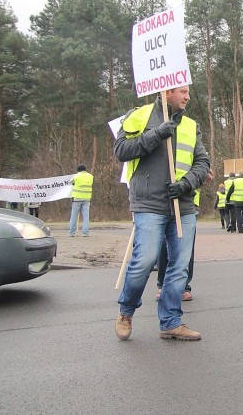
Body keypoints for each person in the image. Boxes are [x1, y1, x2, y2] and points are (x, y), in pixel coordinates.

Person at [113, 85, 211, 342]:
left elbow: (203, 163)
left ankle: (171, 322)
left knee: (179, 268)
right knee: (144, 261)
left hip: (184, 204)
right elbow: (121, 151)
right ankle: (126, 312)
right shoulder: (138, 116)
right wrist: (156, 135)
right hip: (148, 203)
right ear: (167, 92)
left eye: (189, 91)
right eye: (183, 91)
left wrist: (187, 183)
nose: (188, 96)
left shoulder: (191, 125)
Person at [68, 165, 93, 237]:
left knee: (74, 216)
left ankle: (71, 232)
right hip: (87, 198)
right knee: (86, 217)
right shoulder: (90, 176)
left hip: (77, 198)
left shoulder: (76, 176)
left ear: (78, 170)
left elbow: (70, 183)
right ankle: (85, 232)